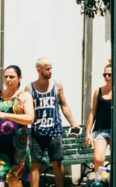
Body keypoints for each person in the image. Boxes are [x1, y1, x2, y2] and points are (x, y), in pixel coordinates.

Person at [28, 58, 80, 187]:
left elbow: (64, 105)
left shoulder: (57, 85)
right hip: (37, 131)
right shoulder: (29, 88)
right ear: (38, 69)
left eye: (51, 68)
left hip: (54, 130)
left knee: (57, 162)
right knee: (35, 164)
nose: (50, 71)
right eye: (47, 69)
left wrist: (74, 123)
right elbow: (26, 110)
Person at [0, 65, 34, 184]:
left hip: (18, 149)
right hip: (1, 148)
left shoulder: (24, 96)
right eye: (6, 77)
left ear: (19, 78)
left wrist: (5, 115)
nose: (8, 79)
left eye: (12, 77)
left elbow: (30, 118)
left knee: (14, 181)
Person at [83, 62, 113, 175]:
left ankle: (112, 180)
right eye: (104, 75)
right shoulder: (98, 91)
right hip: (101, 130)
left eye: (109, 75)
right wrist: (87, 132)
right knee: (99, 159)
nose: (107, 77)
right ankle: (102, 181)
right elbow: (92, 112)